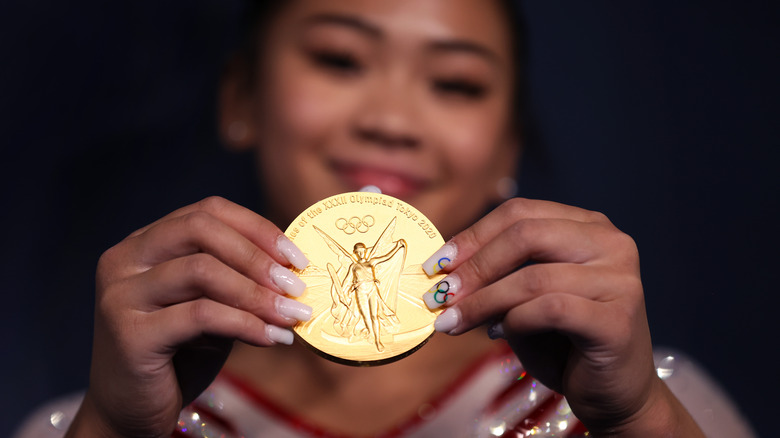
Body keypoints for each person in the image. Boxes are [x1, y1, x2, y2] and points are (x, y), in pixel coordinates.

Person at [14, 1, 754, 437]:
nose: (393, 119)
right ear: (241, 98)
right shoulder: (94, 418)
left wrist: (636, 421)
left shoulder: (654, 399)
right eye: (339, 60)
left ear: (508, 145)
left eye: (456, 83)